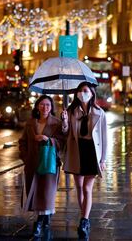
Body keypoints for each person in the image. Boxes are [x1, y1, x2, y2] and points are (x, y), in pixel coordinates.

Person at [61, 82, 108, 239]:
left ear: (92, 93)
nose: (82, 93)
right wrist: (65, 121)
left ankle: (84, 219)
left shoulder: (99, 113)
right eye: (80, 91)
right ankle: (84, 218)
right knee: (79, 188)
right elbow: (65, 133)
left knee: (87, 188)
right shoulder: (71, 111)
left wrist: (103, 159)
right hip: (77, 151)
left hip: (92, 152)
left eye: (85, 90)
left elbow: (104, 137)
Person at [18, 95, 65, 238]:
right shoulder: (30, 123)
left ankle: (39, 222)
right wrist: (25, 158)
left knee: (46, 193)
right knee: (35, 192)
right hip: (32, 163)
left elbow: (62, 143)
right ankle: (45, 218)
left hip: (49, 163)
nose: (45, 107)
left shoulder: (56, 123)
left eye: (48, 105)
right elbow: (22, 142)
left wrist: (48, 139)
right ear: (37, 106)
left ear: (51, 108)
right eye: (42, 104)